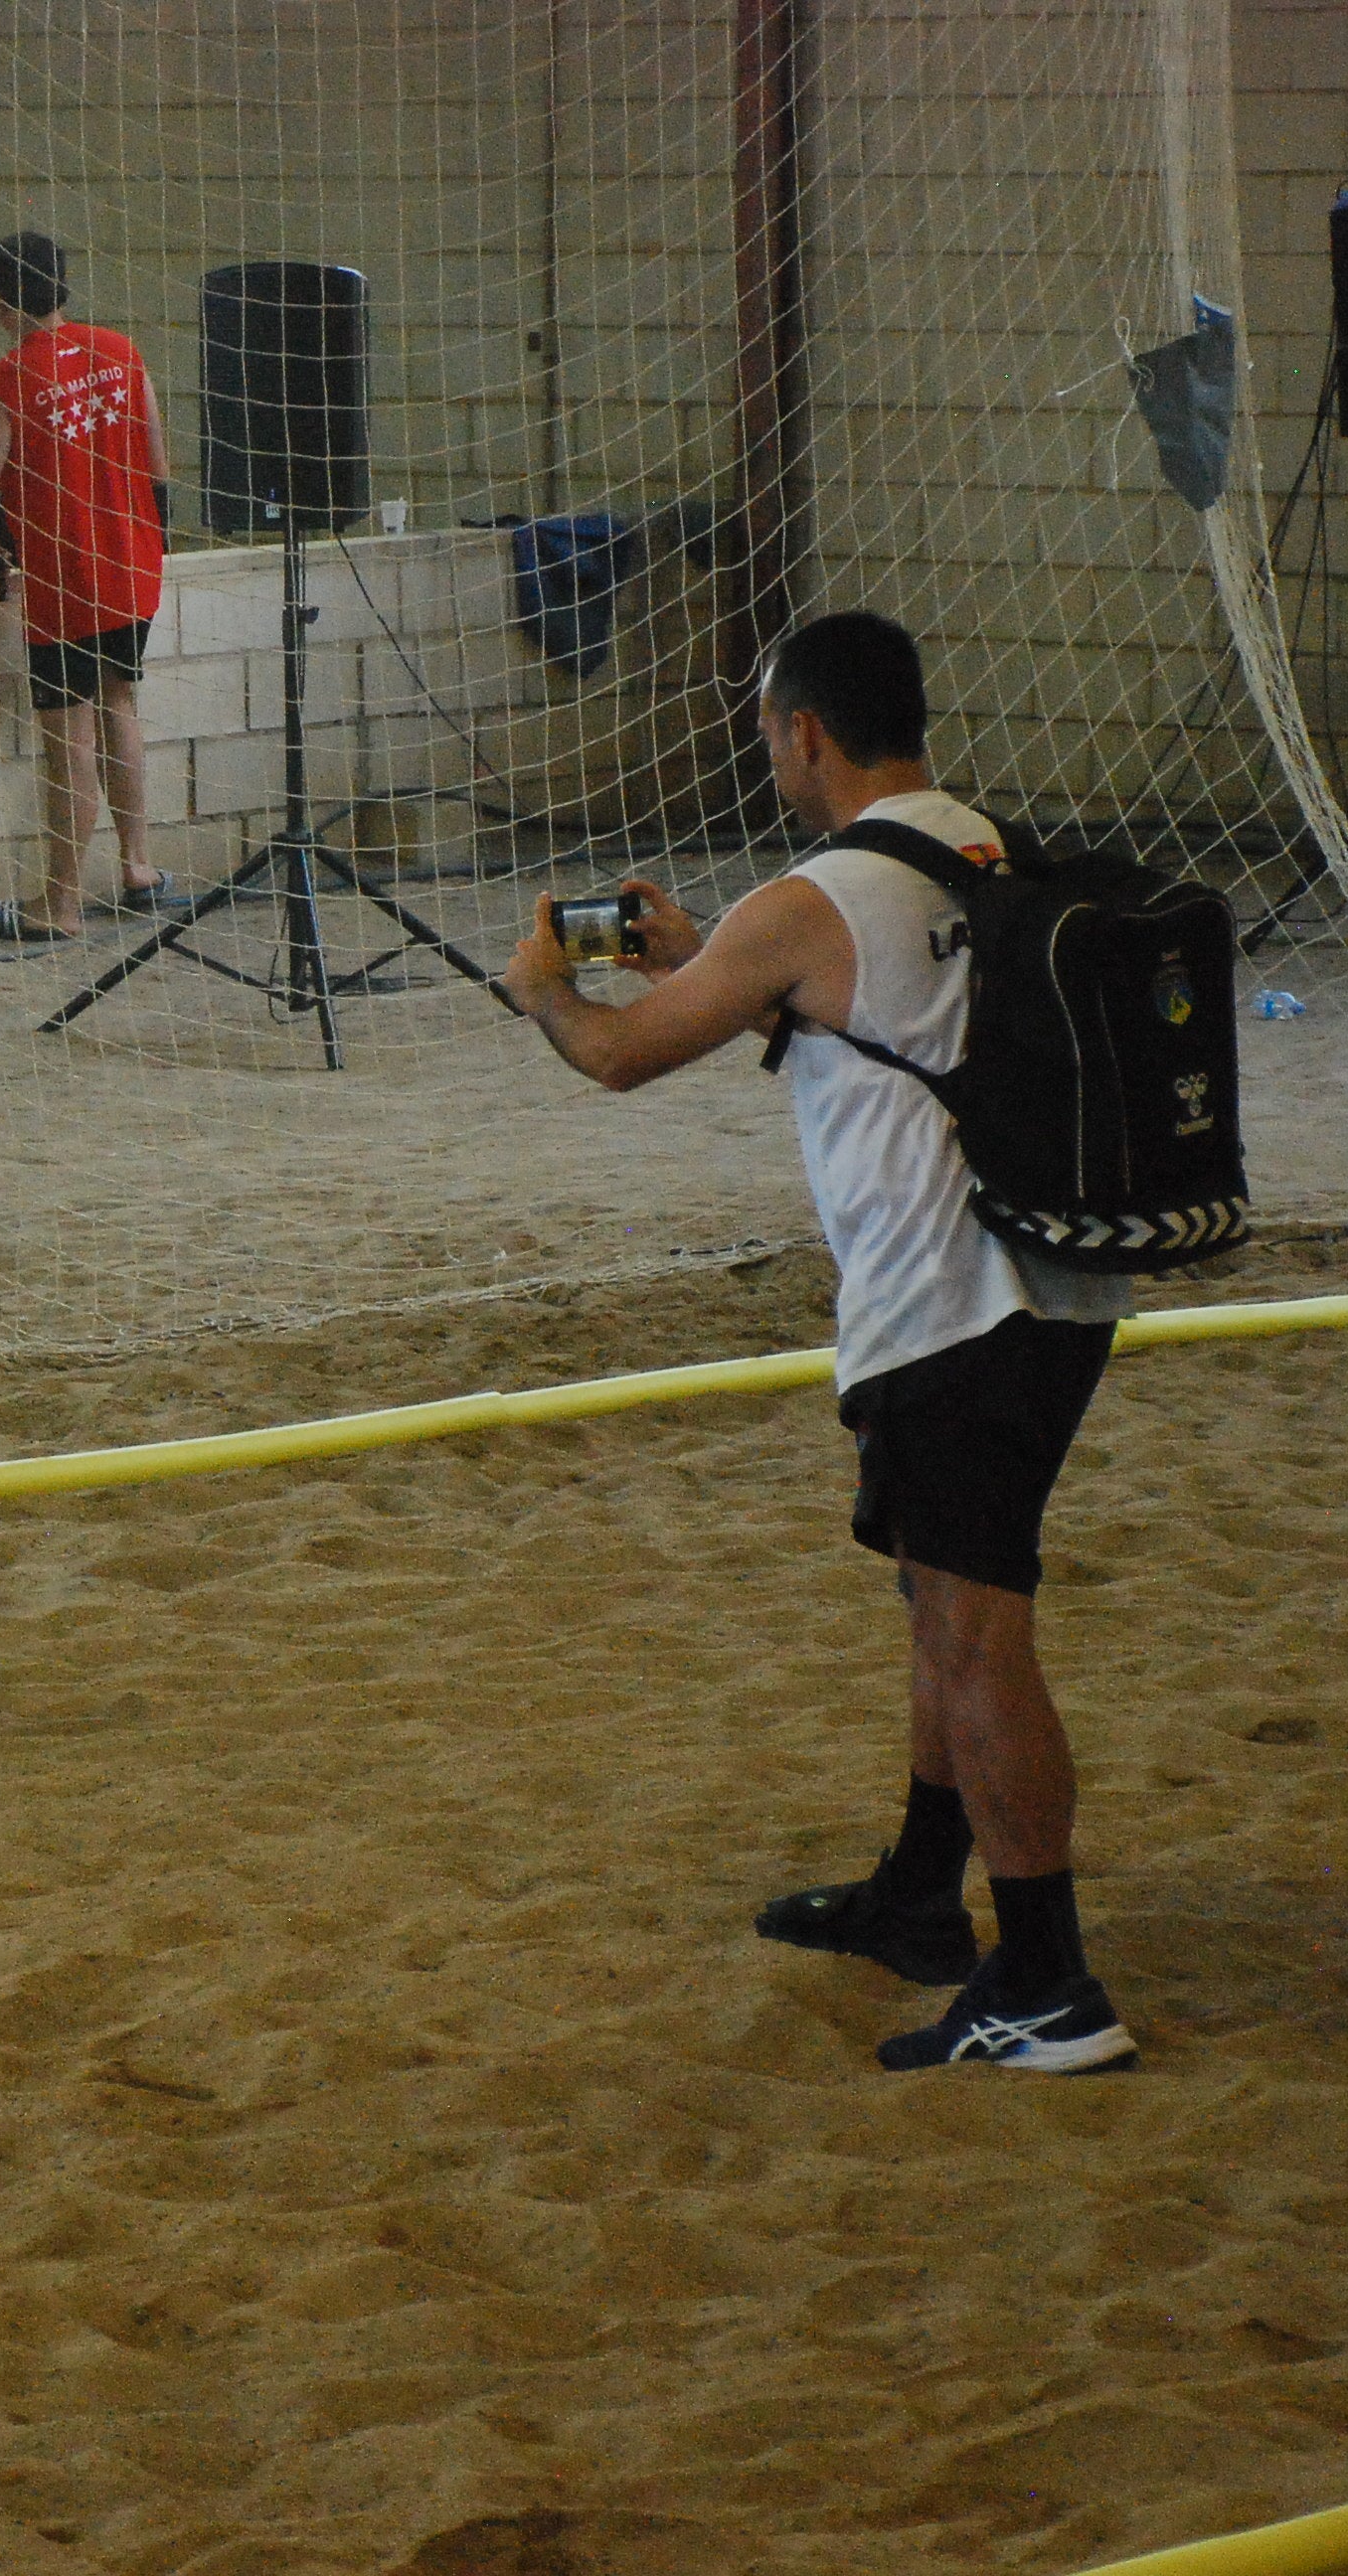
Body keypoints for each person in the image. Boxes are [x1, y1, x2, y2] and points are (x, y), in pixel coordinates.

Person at [491, 608, 1140, 2075]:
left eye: (770, 732)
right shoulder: (981, 842)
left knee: (979, 1636)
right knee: (940, 1602)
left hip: (948, 1310)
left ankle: (1049, 1979)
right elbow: (877, 1016)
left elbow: (620, 1054)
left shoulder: (812, 894)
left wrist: (546, 989)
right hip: (1052, 1286)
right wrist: (704, 951)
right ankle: (923, 1893)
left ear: (806, 735)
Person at [0, 231, 173, 943]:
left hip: (65, 582)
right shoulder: (123, 351)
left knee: (67, 740)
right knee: (120, 704)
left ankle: (62, 904)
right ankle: (140, 867)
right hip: (135, 570)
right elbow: (159, 464)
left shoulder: (8, 380)